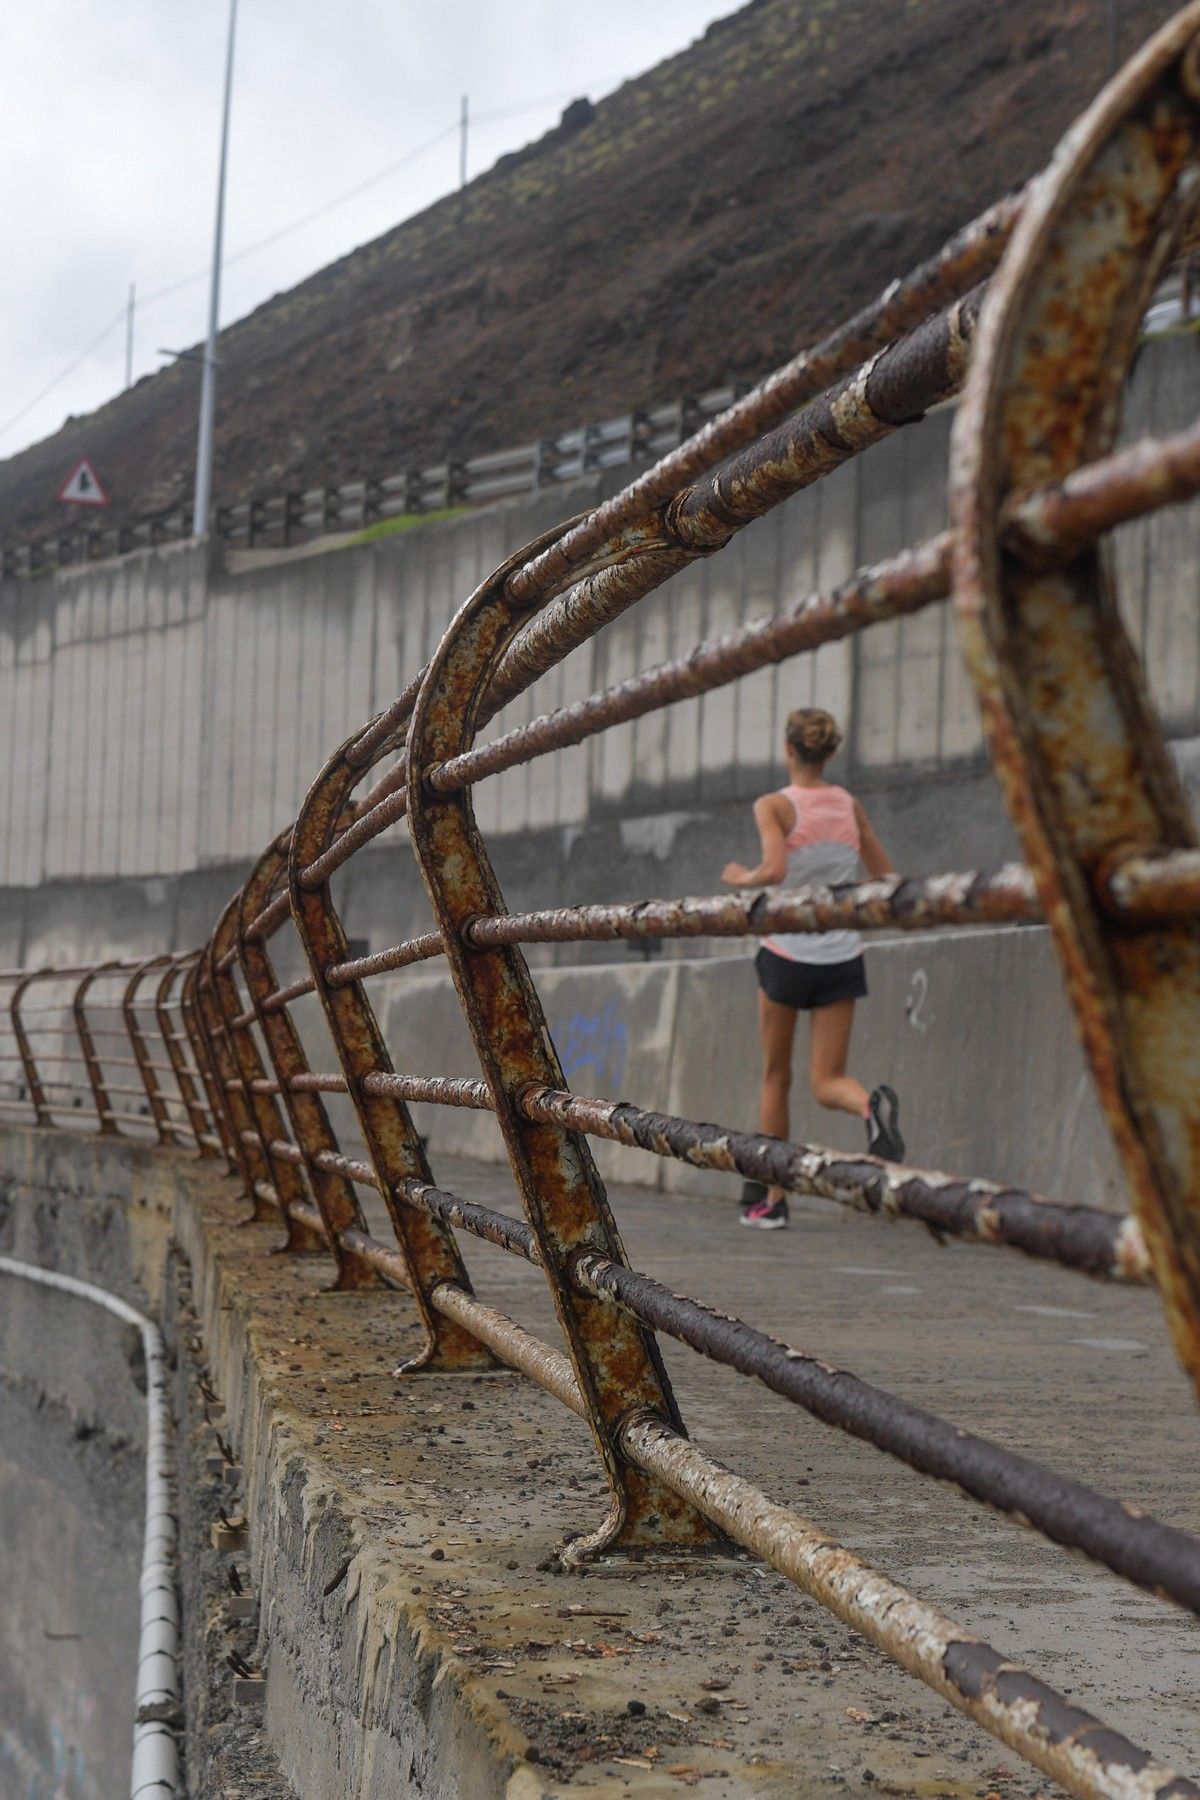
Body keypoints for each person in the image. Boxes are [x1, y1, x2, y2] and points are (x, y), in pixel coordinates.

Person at [721, 706, 905, 1229]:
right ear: (829, 752)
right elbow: (885, 875)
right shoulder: (849, 804)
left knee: (777, 1076)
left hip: (786, 954)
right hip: (842, 953)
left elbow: (775, 870)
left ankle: (773, 1201)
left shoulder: (774, 805)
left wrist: (741, 877)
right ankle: (871, 1107)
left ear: (788, 750)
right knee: (830, 1081)